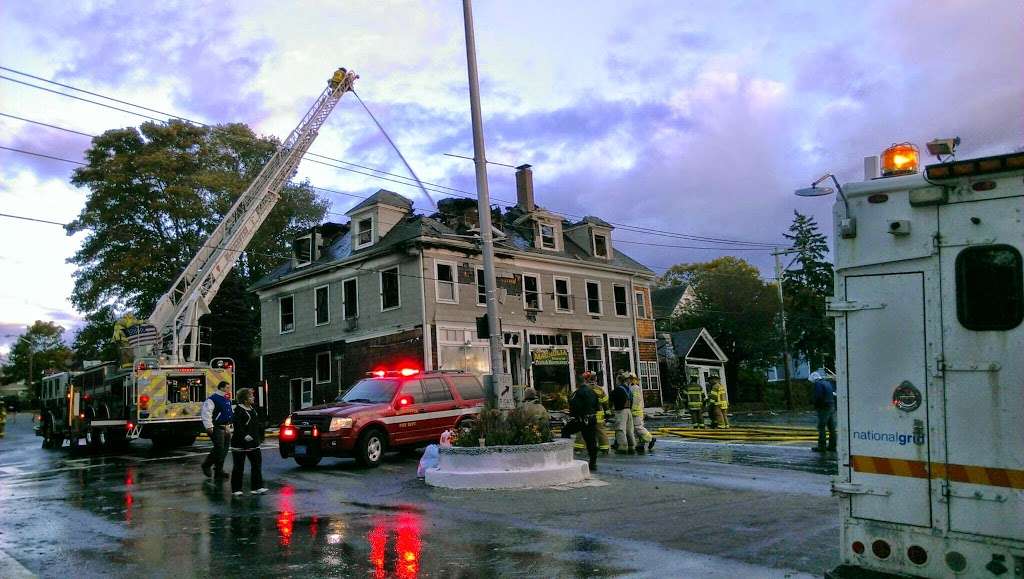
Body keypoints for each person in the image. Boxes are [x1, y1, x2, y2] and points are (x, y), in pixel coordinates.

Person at [230, 388, 267, 496]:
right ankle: (236, 489)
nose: (253, 398)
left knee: (256, 464)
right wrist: (244, 435)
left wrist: (260, 437)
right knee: (238, 466)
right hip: (240, 443)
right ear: (245, 400)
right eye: (251, 396)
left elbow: (257, 424)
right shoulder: (238, 410)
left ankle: (257, 487)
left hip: (253, 443)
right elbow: (237, 426)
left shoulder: (252, 409)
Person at [562, 380, 599, 471]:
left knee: (565, 431)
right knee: (591, 441)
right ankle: (593, 462)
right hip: (592, 419)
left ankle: (565, 455)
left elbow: (574, 406)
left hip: (581, 419)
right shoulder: (593, 392)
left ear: (578, 385)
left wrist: (572, 415)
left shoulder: (577, 393)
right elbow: (597, 406)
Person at [201, 381, 233, 480]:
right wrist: (209, 426)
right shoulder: (213, 399)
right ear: (222, 388)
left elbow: (229, 412)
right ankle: (206, 465)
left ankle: (219, 470)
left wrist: (230, 426)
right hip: (217, 427)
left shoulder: (227, 399)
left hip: (226, 427)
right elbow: (206, 413)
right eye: (227, 387)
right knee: (219, 448)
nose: (229, 389)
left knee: (224, 449)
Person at [575, 372, 611, 455]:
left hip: (586, 414)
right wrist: (607, 413)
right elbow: (605, 402)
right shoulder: (600, 389)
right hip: (598, 414)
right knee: (600, 431)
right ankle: (604, 449)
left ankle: (578, 448)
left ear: (586, 379)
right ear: (595, 379)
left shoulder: (583, 389)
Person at [628, 373, 655, 453]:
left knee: (638, 427)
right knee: (636, 429)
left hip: (635, 412)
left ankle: (651, 439)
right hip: (636, 411)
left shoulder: (635, 388)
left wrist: (632, 410)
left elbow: (636, 400)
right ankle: (641, 444)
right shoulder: (632, 387)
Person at [610, 372, 635, 454]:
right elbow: (631, 400)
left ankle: (622, 447)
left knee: (620, 429)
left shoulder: (618, 389)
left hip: (621, 411)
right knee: (629, 430)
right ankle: (631, 446)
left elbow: (611, 399)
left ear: (619, 380)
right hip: (628, 411)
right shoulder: (628, 389)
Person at [811, 372, 837, 452]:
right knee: (831, 428)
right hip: (831, 406)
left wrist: (815, 405)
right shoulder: (827, 383)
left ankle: (822, 447)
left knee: (821, 427)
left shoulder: (818, 384)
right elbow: (834, 394)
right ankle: (832, 446)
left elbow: (818, 396)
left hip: (824, 408)